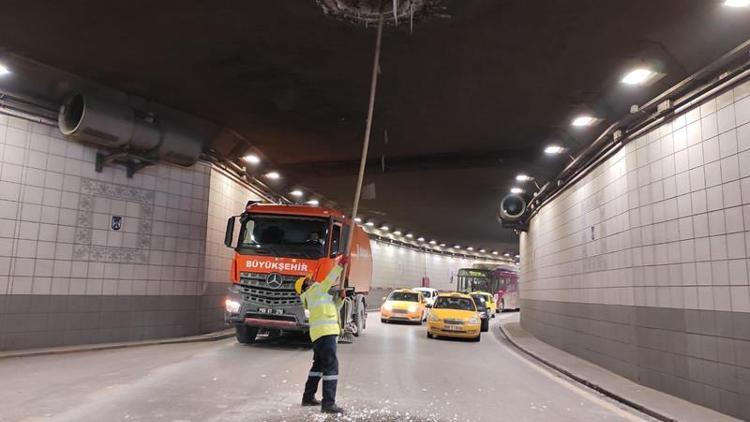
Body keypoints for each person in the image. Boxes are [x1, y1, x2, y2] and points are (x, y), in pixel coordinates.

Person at [294, 258, 348, 414]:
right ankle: (328, 404)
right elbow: (328, 281)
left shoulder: (316, 295)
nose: (312, 280)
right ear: (305, 286)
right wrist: (339, 266)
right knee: (331, 367)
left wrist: (341, 299)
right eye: (309, 280)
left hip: (320, 335)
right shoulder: (314, 291)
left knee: (318, 366)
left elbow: (333, 308)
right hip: (326, 333)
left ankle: (308, 397)